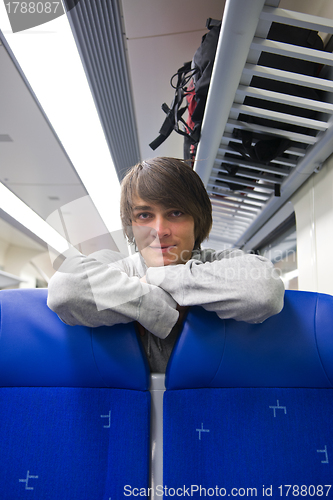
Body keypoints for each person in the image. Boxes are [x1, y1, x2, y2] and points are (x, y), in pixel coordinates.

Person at [47, 157, 285, 372]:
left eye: (176, 213)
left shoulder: (219, 264)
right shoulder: (118, 266)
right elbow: (66, 289)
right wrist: (152, 303)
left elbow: (263, 292)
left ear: (198, 220)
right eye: (144, 216)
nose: (159, 231)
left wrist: (155, 279)